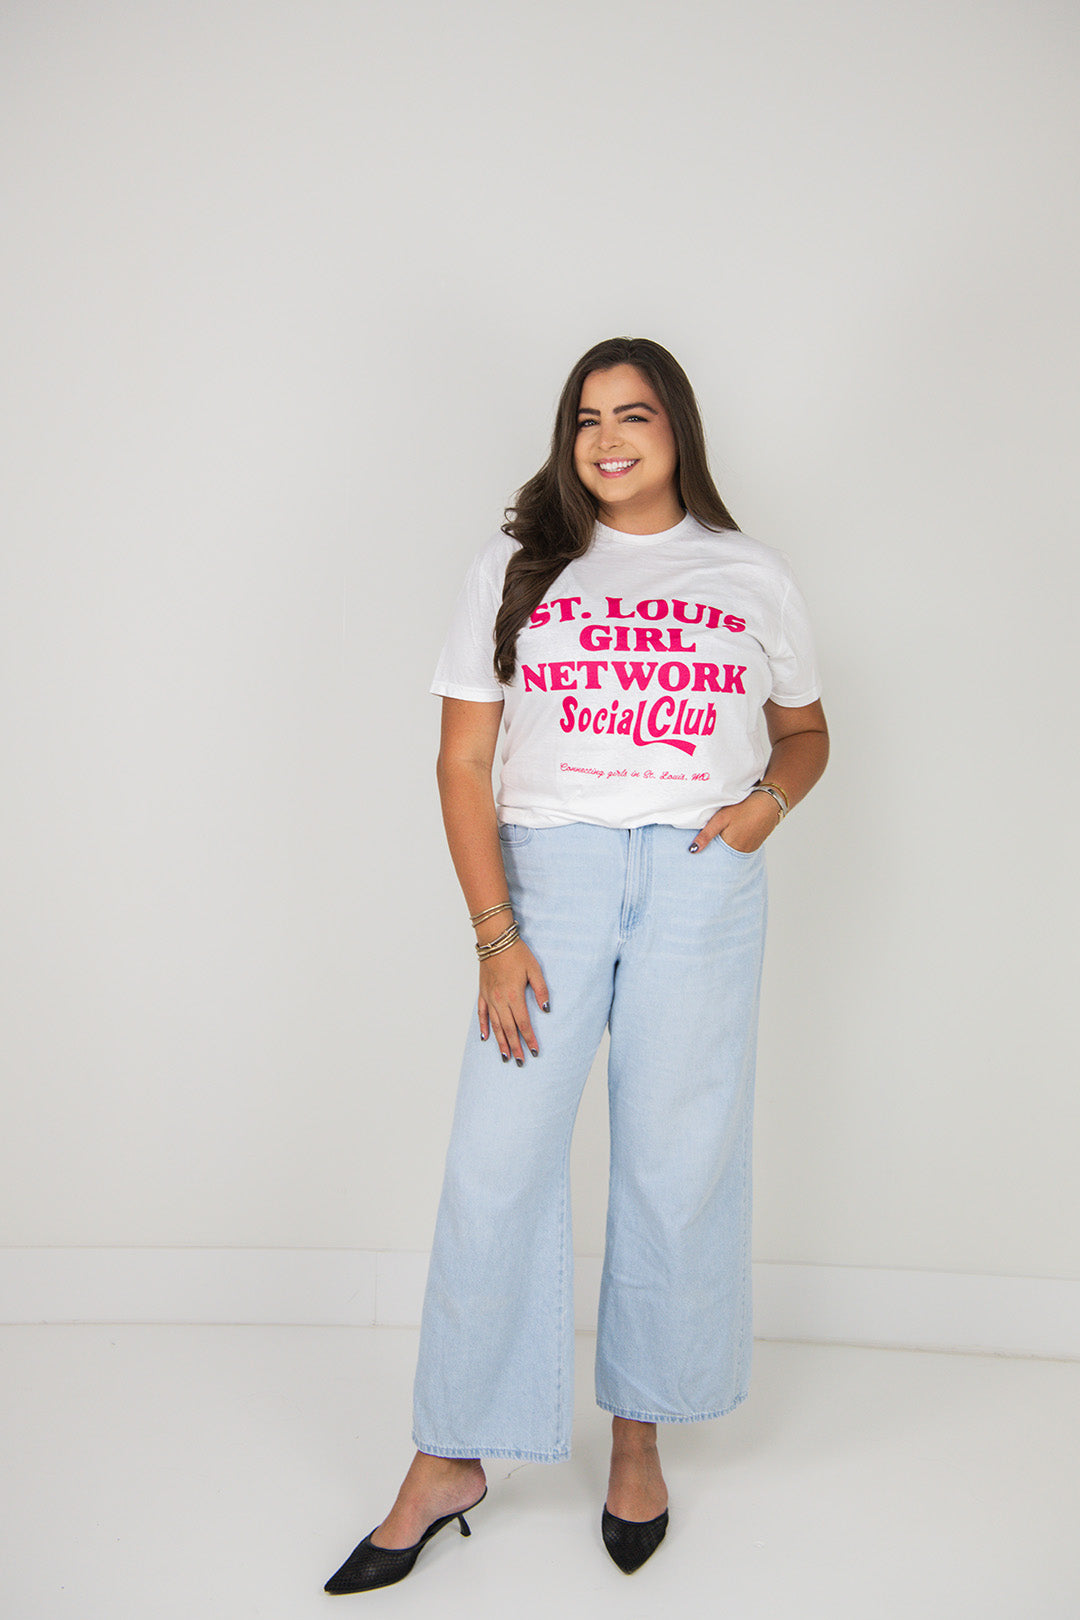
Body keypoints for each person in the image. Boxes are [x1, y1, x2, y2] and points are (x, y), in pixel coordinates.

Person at [324, 336, 829, 1593]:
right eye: (587, 418)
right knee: (497, 1164)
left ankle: (639, 1438)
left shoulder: (750, 572)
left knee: (675, 1157)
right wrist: (497, 937)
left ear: (679, 431)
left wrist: (765, 805)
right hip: (549, 881)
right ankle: (451, 1455)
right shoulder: (518, 564)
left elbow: (809, 732)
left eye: (635, 415)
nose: (608, 439)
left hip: (703, 879)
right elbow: (459, 764)